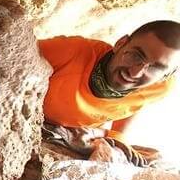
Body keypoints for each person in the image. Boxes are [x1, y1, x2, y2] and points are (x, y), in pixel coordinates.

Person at [40, 21, 180, 166]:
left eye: (155, 68)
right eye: (136, 56)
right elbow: (17, 59)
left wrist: (115, 135)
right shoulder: (68, 51)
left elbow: (135, 103)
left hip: (81, 133)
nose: (135, 72)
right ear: (120, 43)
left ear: (166, 75)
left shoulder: (160, 86)